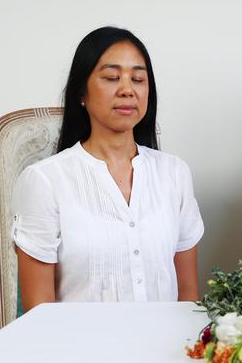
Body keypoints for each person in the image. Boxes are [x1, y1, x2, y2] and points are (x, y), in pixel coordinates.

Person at [12, 27, 204, 311]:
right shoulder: (45, 180)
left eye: (138, 79)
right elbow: (39, 312)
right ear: (81, 92)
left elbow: (188, 296)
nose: (127, 89)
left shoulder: (174, 173)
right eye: (112, 77)